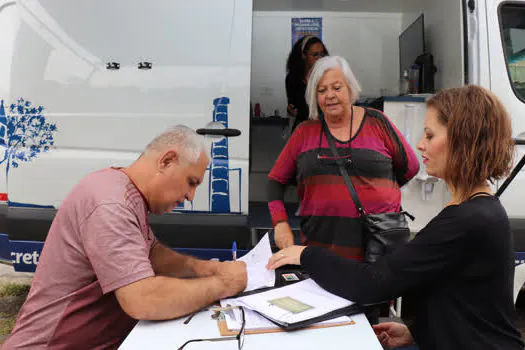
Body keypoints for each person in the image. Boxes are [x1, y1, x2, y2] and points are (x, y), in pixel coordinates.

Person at [267, 85, 525, 350]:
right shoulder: (480, 209)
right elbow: (466, 301)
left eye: (430, 135)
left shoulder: (468, 221)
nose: (420, 144)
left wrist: (306, 255)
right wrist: (417, 331)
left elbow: (373, 283)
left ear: (463, 140)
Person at [3, 125, 247, 349]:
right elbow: (142, 299)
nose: (191, 196)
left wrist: (206, 269)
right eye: (191, 182)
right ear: (167, 160)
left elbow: (151, 254)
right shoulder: (111, 205)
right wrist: (223, 285)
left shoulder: (123, 190)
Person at [270, 55, 419, 257]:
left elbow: (410, 167)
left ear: (350, 88)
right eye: (321, 90)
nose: (329, 95)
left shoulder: (377, 122)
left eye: (337, 87)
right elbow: (274, 182)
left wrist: (378, 187)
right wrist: (280, 223)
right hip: (321, 251)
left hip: (378, 248)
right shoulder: (304, 132)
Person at [286, 35, 329, 132]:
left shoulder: (328, 76)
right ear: (303, 55)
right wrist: (291, 109)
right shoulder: (293, 78)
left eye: (322, 54)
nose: (319, 58)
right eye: (315, 55)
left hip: (325, 127)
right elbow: (291, 103)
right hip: (303, 127)